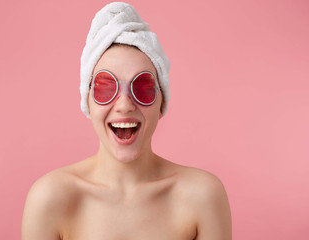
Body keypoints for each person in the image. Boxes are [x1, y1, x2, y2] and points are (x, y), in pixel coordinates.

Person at [21, 2, 232, 240]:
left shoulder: (202, 196)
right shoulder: (50, 198)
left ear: (161, 104)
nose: (124, 105)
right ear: (87, 102)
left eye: (142, 88)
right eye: (105, 88)